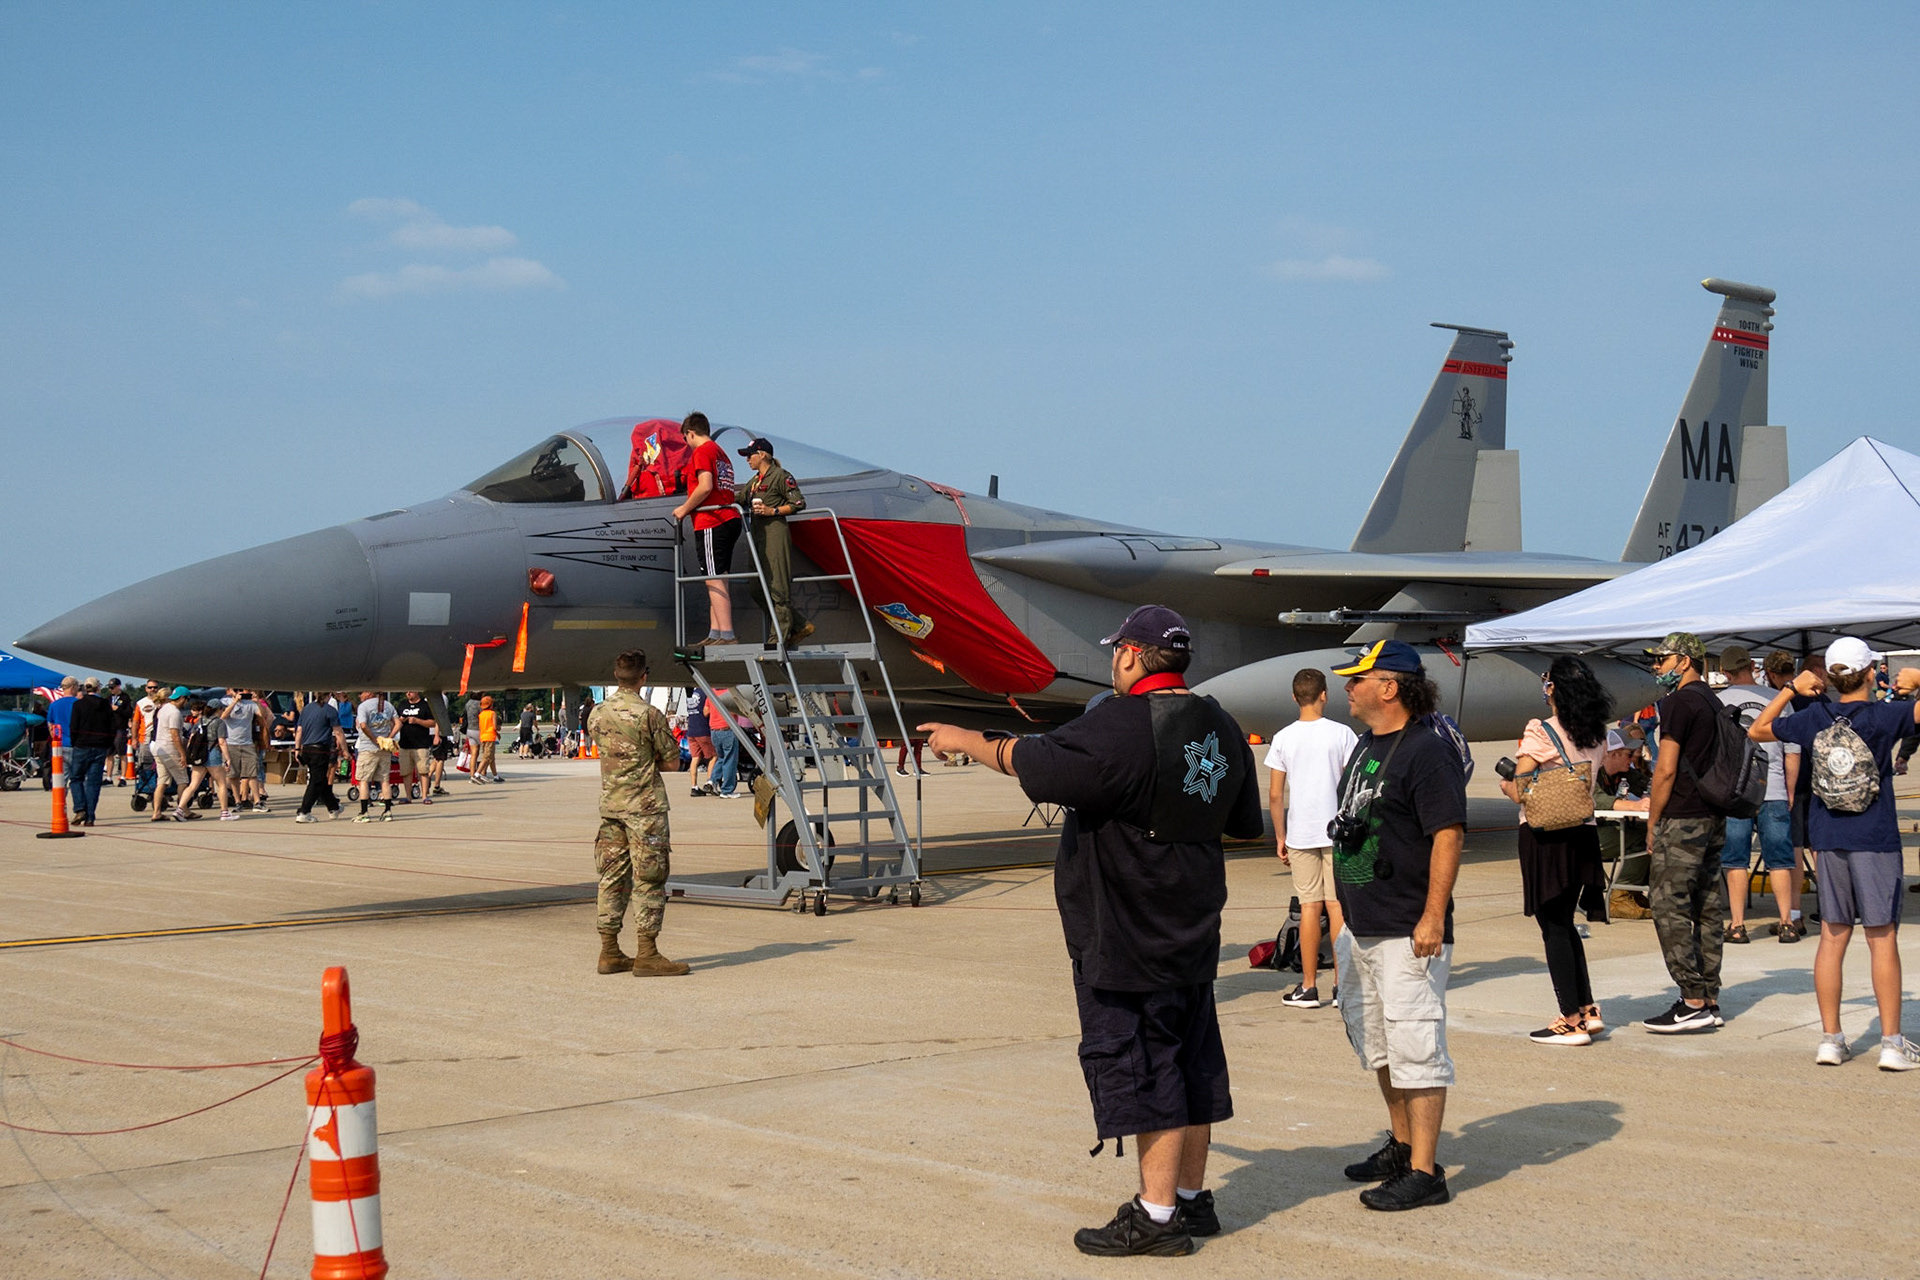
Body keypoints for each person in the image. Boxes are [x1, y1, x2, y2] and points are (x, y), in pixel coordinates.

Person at [919, 605, 1262, 1256]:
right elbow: (1244, 821)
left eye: (1116, 653)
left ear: (1132, 655)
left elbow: (1041, 765)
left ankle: (1156, 1219)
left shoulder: (1121, 724)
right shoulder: (1217, 723)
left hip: (1130, 928)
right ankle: (1191, 1202)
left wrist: (967, 740)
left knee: (1146, 1066)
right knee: (1190, 1061)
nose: (1113, 662)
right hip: (1191, 921)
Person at [1315, 640, 1467, 1211]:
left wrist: (1433, 916)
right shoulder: (1366, 746)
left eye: (1359, 677)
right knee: (1379, 1045)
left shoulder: (1427, 750)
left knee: (1417, 1045)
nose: (1347, 687)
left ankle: (1426, 1173)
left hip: (1409, 928)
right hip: (1363, 925)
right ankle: (1402, 1145)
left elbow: (1448, 833)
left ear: (1390, 686)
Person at [1752, 641, 1920, 1070]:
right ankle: (1891, 1043)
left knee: (1832, 936)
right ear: (1870, 674)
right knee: (1881, 937)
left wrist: (1791, 689)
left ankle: (1831, 1039)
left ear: (1827, 677)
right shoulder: (1886, 715)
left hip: (1828, 836)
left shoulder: (1813, 717)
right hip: (1875, 836)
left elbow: (1757, 730)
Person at [1499, 656, 1612, 1046]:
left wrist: (1510, 789)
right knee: (1565, 924)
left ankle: (1570, 1018)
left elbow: (1522, 780)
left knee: (1553, 927)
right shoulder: (1597, 732)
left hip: (1546, 836)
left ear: (1554, 689)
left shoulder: (1541, 729)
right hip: (1582, 833)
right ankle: (1587, 1008)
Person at [1640, 632, 1731, 1033]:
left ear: (1685, 661)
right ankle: (1709, 995)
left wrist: (1653, 820)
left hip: (1682, 815)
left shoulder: (1678, 703)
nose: (1657, 668)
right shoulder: (1713, 701)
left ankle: (1691, 999)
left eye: (1662, 660)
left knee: (1667, 904)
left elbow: (1665, 768)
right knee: (1708, 904)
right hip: (1713, 813)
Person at [587, 649, 691, 978]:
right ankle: (647, 953)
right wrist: (645, 762)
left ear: (616, 677)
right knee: (649, 879)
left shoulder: (596, 714)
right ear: (643, 677)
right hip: (644, 808)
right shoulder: (650, 715)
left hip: (611, 806)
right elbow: (672, 761)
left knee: (611, 879)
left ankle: (609, 952)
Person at [1264, 666, 1358, 1010]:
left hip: (1301, 832)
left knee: (1308, 907)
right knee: (1337, 908)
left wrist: (1280, 836)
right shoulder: (1343, 734)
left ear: (1294, 697)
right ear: (1324, 695)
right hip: (1335, 831)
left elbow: (1276, 795)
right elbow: (1352, 783)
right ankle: (1342, 986)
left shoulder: (1284, 737)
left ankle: (1307, 986)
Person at [1716, 646, 1802, 943]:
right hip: (1774, 785)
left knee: (1735, 857)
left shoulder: (1718, 702)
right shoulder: (1778, 700)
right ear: (1753, 666)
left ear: (1725, 672)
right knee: (1779, 858)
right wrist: (1789, 790)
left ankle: (1737, 925)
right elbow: (1792, 750)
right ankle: (1786, 922)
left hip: (1736, 791)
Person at [671, 412, 741, 647]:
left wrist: (684, 508)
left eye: (686, 438)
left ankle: (727, 634)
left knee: (713, 579)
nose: (687, 443)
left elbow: (705, 486)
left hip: (712, 520)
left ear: (690, 433)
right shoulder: (721, 453)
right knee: (719, 578)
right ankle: (716, 633)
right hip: (728, 518)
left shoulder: (702, 452)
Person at [739, 436, 814, 648]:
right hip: (758, 536)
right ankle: (800, 624)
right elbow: (738, 498)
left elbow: (798, 502)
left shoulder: (781, 476)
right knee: (756, 587)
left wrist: (773, 511)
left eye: (750, 455)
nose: (747, 460)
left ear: (762, 454)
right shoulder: (754, 482)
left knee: (777, 587)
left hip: (774, 534)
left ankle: (777, 639)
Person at [66, 677, 116, 827]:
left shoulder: (78, 705)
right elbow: (112, 726)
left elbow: (73, 726)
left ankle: (80, 808)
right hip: (100, 746)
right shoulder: (105, 705)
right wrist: (107, 744)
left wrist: (75, 742)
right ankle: (90, 816)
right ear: (98, 688)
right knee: (93, 783)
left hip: (82, 745)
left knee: (76, 778)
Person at [354, 690, 399, 821]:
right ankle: (387, 811)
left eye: (361, 693)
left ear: (369, 693)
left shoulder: (364, 706)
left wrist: (373, 739)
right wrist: (388, 738)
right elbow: (398, 723)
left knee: (364, 780)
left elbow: (363, 725)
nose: (360, 695)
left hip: (368, 747)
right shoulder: (388, 705)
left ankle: (364, 812)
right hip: (384, 748)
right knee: (385, 780)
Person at [218, 687, 264, 815]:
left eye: (241, 690)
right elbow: (223, 716)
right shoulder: (225, 701)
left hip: (247, 743)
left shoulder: (250, 704)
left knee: (252, 772)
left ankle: (257, 801)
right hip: (231, 743)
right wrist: (234, 702)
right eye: (236, 690)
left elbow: (262, 715)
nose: (240, 693)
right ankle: (238, 801)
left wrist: (257, 702)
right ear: (231, 691)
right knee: (233, 775)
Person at [150, 686, 193, 821]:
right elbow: (175, 735)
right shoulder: (175, 713)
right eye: (187, 699)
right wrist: (183, 754)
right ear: (182, 698)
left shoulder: (163, 709)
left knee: (162, 781)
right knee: (183, 780)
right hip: (170, 749)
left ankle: (156, 812)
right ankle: (183, 810)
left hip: (158, 748)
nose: (187, 702)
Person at [395, 691, 437, 803]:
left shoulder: (425, 705)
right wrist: (400, 721)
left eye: (411, 691)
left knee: (423, 771)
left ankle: (424, 796)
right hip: (405, 743)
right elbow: (394, 721)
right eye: (407, 691)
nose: (408, 693)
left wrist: (417, 721)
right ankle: (408, 796)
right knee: (406, 771)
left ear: (417, 692)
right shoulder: (402, 705)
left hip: (421, 744)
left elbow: (433, 722)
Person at [707, 688, 742, 798]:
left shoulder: (711, 692)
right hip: (727, 729)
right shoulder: (730, 692)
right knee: (730, 760)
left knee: (721, 758)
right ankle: (727, 790)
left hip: (714, 731)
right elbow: (733, 710)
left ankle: (712, 780)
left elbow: (705, 711)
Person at [683, 687, 715, 794]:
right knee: (713, 756)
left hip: (691, 730)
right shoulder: (706, 693)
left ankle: (694, 787)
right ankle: (709, 782)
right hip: (703, 729)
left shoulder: (691, 694)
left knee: (695, 758)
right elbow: (707, 710)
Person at [106, 678, 133, 786]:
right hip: (110, 728)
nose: (111, 690)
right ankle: (108, 777)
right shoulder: (108, 698)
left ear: (118, 686)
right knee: (109, 754)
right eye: (110, 688)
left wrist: (118, 709)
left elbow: (129, 712)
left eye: (112, 687)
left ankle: (123, 776)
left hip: (120, 727)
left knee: (122, 753)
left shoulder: (125, 698)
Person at [476, 694, 501, 782]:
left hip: (483, 736)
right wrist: (498, 730)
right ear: (490, 705)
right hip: (490, 736)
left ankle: (496, 776)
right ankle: (477, 774)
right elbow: (494, 726)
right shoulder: (492, 713)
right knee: (487, 757)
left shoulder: (481, 714)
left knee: (491, 757)